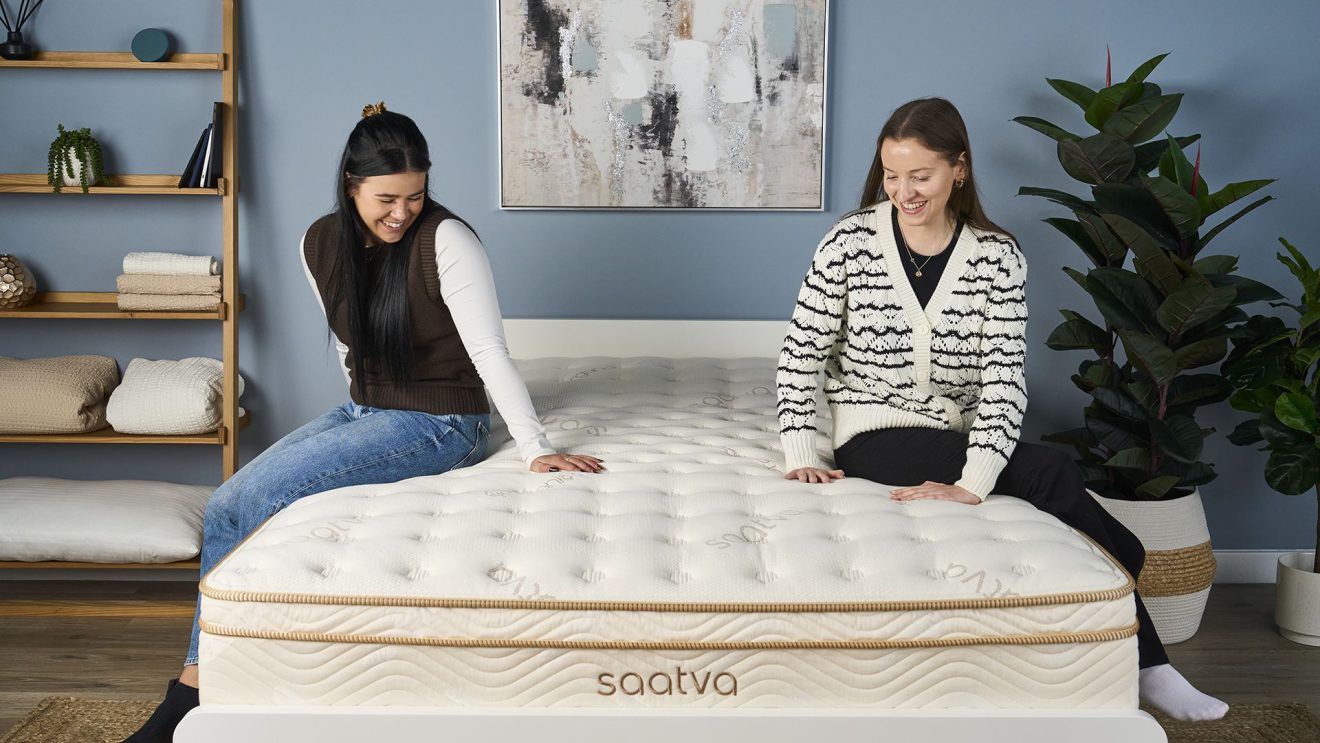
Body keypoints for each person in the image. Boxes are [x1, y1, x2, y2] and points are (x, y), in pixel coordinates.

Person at [121, 103, 603, 743]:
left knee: (252, 496)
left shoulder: (447, 240)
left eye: (415, 196)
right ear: (351, 186)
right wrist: (356, 421)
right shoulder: (319, 242)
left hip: (441, 421)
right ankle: (211, 671)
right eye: (387, 199)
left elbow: (489, 352)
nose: (402, 212)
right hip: (367, 409)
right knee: (228, 504)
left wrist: (535, 447)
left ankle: (192, 689)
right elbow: (352, 347)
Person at [775, 97, 1228, 722]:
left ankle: (1139, 633)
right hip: (872, 428)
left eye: (920, 176)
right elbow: (801, 353)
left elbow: (1003, 381)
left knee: (1053, 475)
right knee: (1054, 472)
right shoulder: (849, 242)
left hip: (953, 432)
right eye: (892, 175)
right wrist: (801, 450)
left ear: (959, 168)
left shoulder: (996, 256)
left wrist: (975, 479)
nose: (903, 191)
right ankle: (1151, 664)